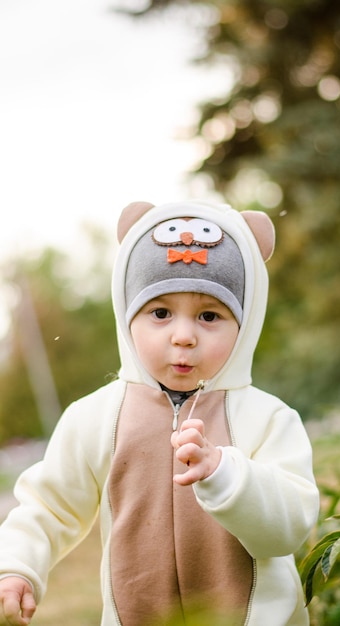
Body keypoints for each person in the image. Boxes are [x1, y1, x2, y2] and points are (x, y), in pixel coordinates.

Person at [0, 200, 319, 626]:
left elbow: (290, 526)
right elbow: (48, 506)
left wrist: (226, 474)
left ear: (245, 325)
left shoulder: (269, 419)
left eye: (209, 315)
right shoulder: (95, 418)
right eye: (160, 313)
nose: (183, 336)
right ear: (126, 314)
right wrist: (16, 567)